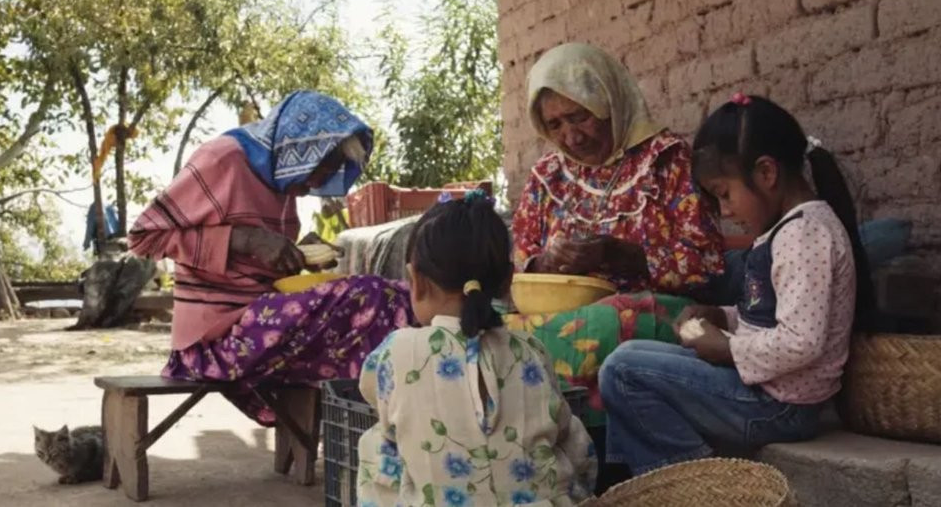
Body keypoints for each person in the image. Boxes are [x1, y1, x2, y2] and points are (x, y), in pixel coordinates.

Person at [598, 94, 874, 476]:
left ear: (766, 173)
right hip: (765, 390)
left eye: (725, 195)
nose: (726, 212)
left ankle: (696, 486)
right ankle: (658, 483)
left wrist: (725, 348)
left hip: (780, 407)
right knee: (631, 353)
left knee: (623, 370)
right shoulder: (783, 231)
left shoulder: (806, 234)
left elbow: (801, 341)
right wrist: (720, 317)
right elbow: (768, 315)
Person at [504, 44, 724, 486]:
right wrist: (546, 260)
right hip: (563, 310)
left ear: (610, 101)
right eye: (555, 124)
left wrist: (618, 253)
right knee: (494, 324)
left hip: (654, 308)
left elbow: (708, 266)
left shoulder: (666, 159)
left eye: (581, 115)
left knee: (609, 322)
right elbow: (519, 265)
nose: (572, 135)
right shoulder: (547, 176)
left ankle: (608, 466)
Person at [128, 91, 413, 425]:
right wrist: (245, 238)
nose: (320, 182)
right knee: (371, 294)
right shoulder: (222, 160)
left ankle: (379, 429)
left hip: (262, 324)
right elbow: (143, 238)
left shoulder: (282, 183)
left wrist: (296, 253)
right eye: (324, 167)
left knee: (390, 300)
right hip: (212, 345)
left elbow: (257, 262)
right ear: (301, 148)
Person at [357, 192, 597, 507]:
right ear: (508, 280)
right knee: (568, 437)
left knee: (379, 441)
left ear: (415, 280)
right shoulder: (531, 349)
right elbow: (576, 453)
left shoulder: (397, 351)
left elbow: (373, 395)